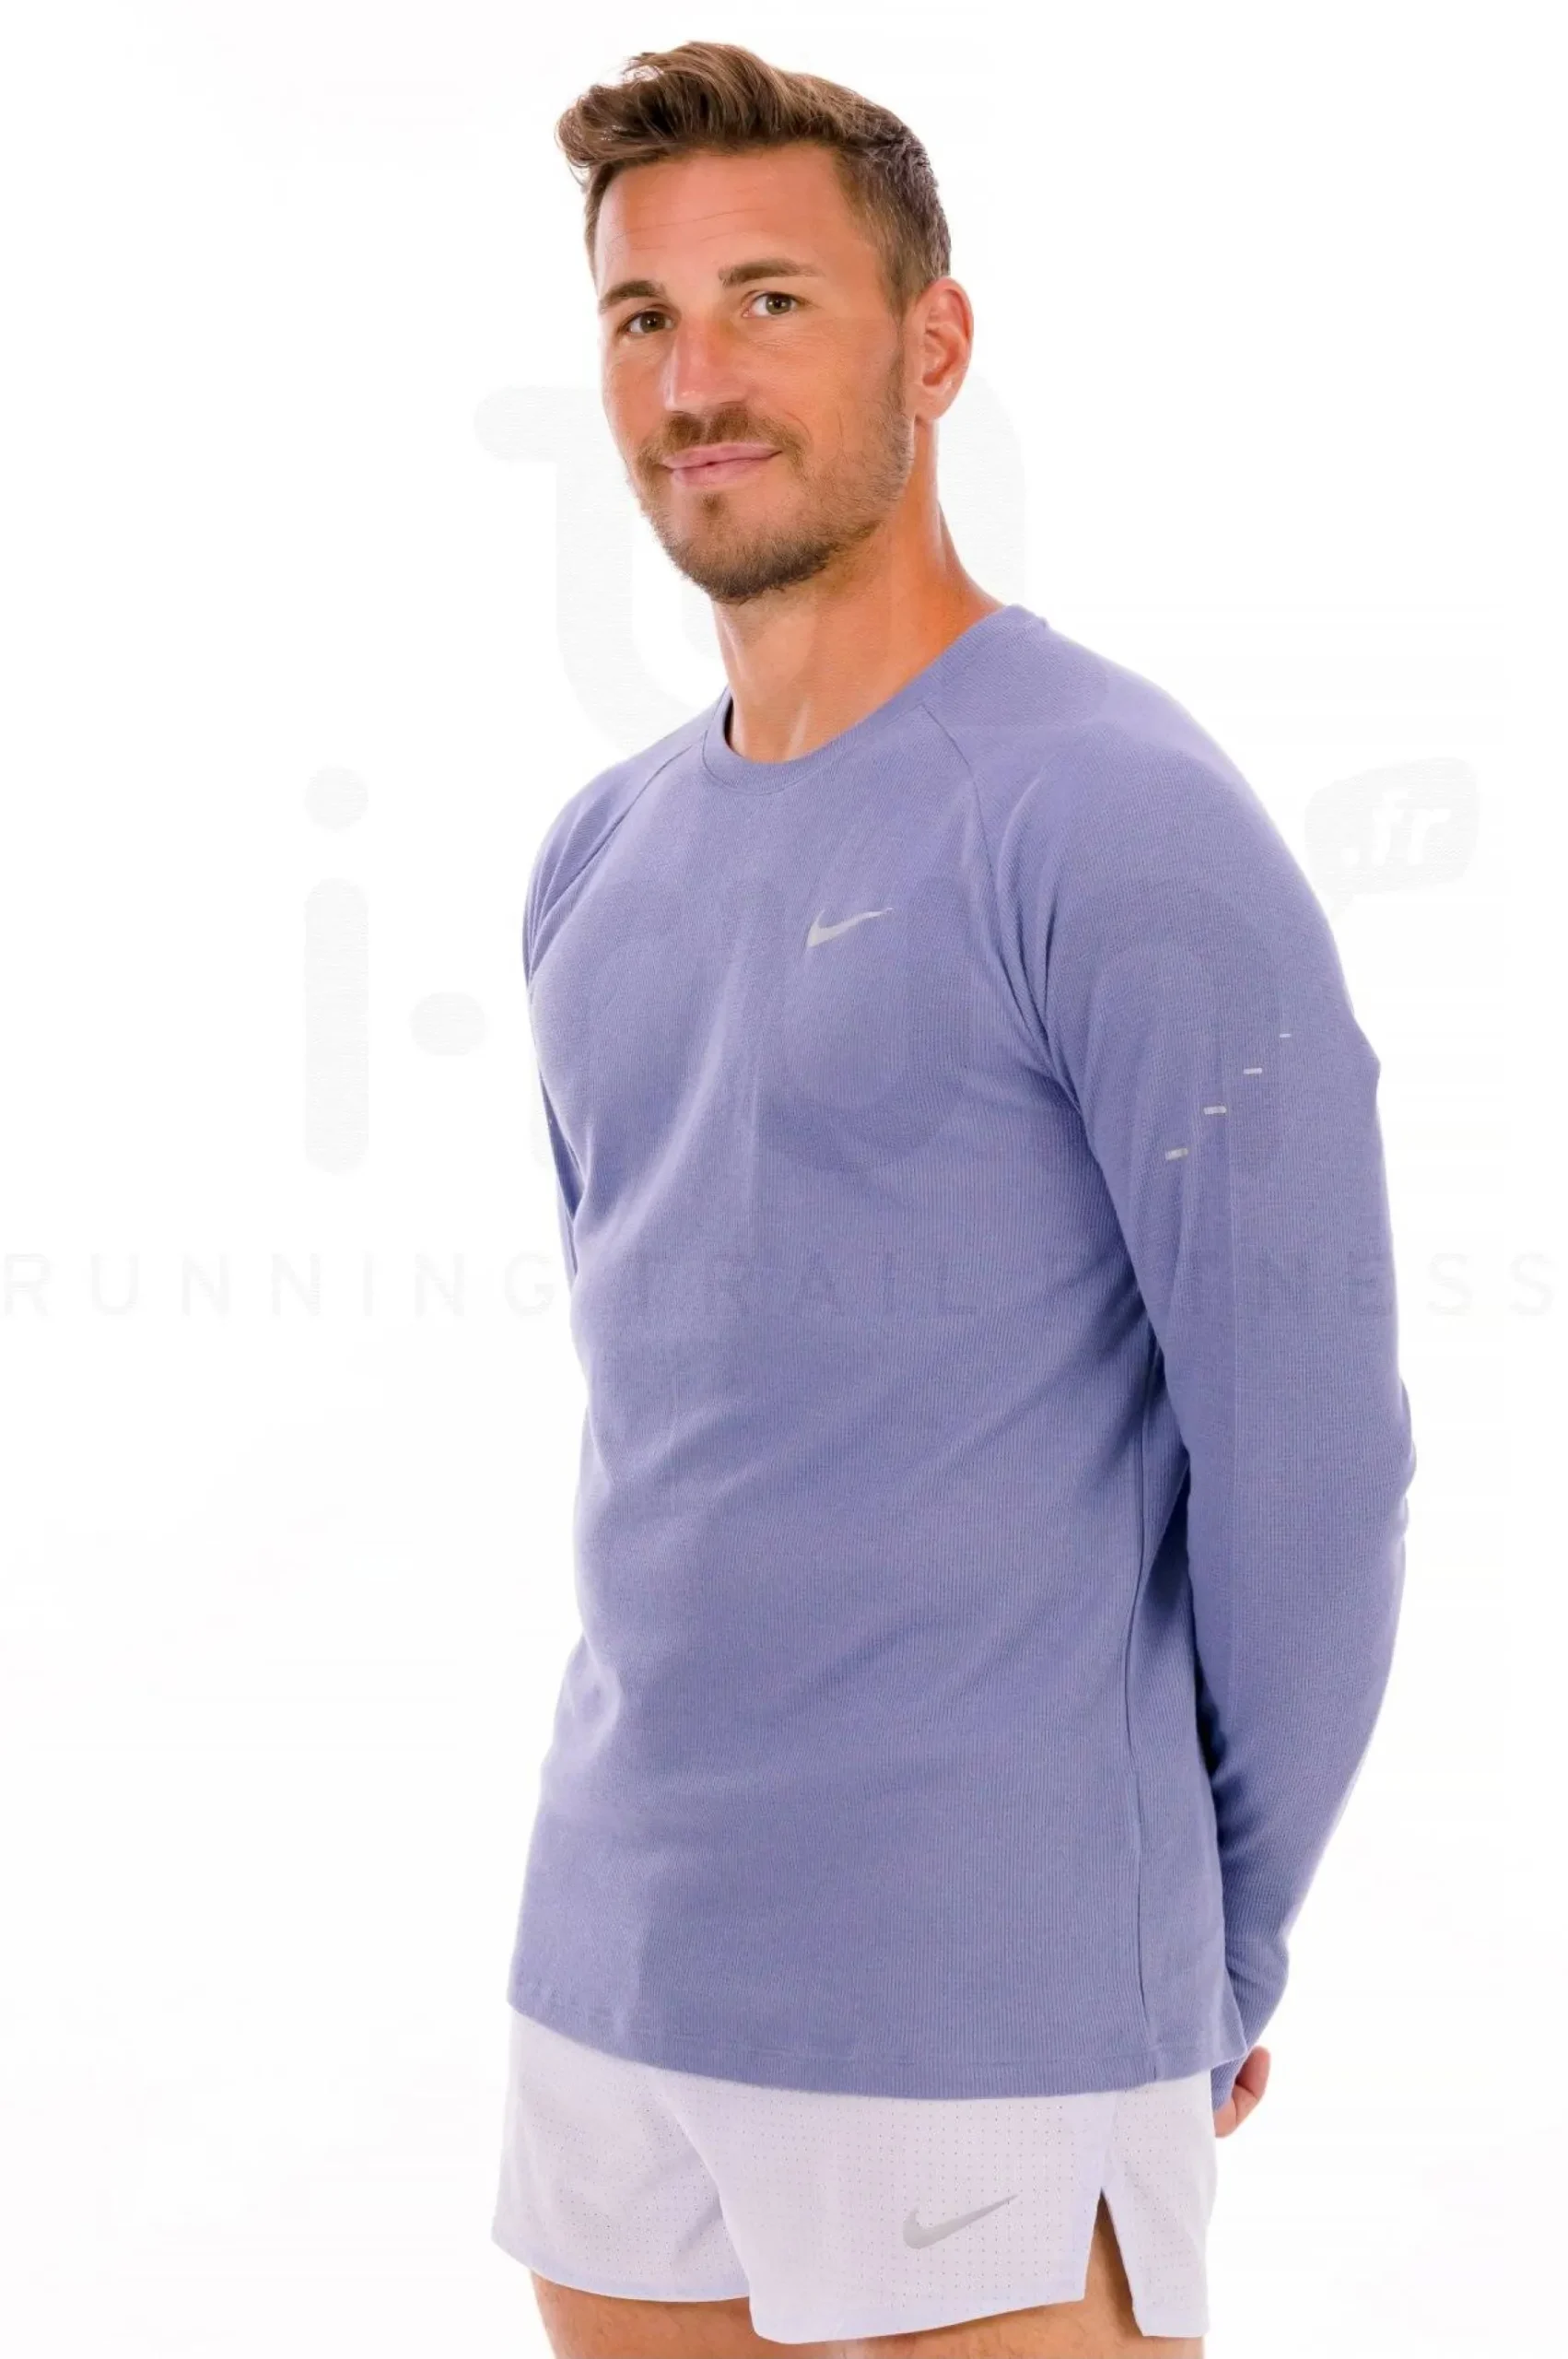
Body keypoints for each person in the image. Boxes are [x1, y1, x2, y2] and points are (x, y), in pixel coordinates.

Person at [490, 39, 1416, 2359]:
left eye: (769, 301)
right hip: (611, 1982)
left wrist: (1214, 1945)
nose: (693, 380)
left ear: (932, 343)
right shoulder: (597, 854)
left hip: (982, 2010)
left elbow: (1311, 1466)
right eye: (640, 316)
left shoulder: (1108, 815)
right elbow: (675, 1408)